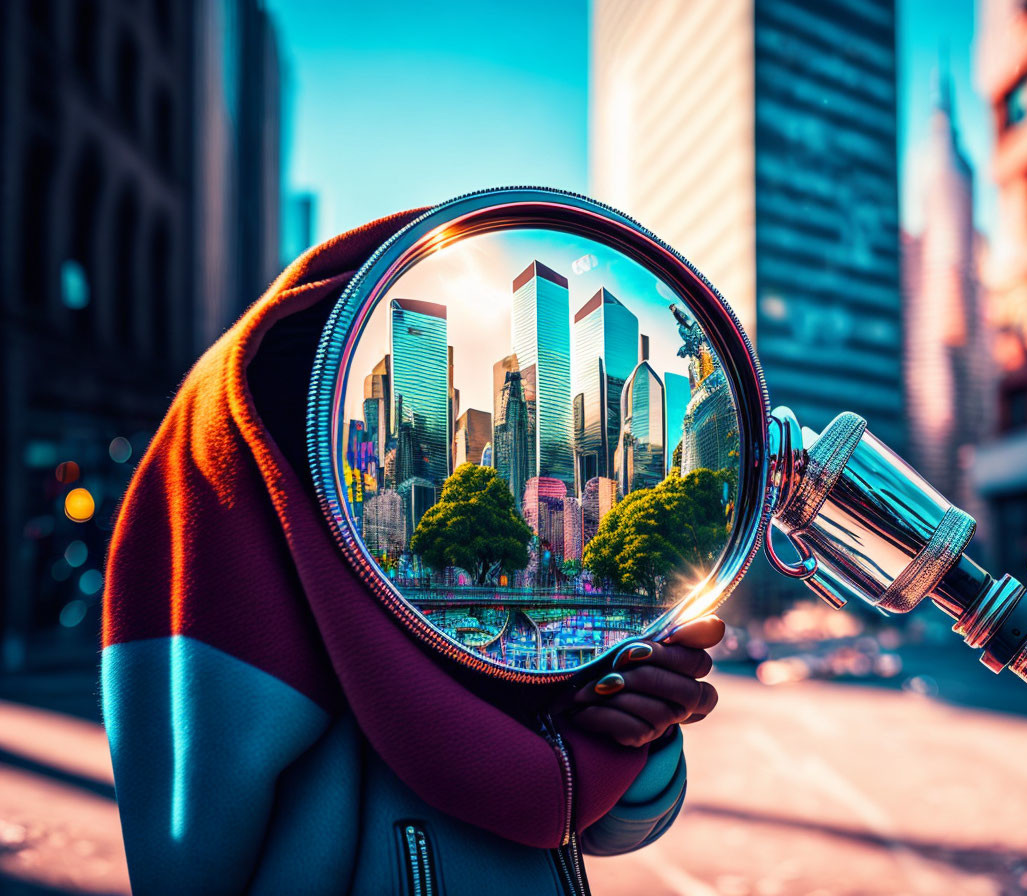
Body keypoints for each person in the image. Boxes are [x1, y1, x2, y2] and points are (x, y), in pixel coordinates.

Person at [102, 209, 723, 895]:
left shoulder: (481, 644)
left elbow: (600, 825)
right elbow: (190, 847)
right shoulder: (261, 606)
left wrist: (640, 732)